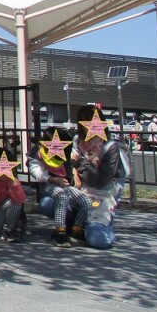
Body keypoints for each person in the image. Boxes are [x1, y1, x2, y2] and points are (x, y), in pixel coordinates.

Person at [71, 105, 127, 250]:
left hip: (101, 193)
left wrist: (80, 163)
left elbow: (100, 180)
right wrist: (74, 169)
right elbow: (70, 161)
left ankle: (103, 227)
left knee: (98, 240)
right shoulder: (78, 140)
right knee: (51, 203)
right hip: (81, 190)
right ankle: (79, 226)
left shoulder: (110, 146)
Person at [28, 130, 87, 248]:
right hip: (49, 183)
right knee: (62, 196)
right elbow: (35, 170)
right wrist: (51, 179)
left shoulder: (68, 149)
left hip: (65, 183)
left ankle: (76, 230)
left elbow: (74, 162)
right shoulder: (39, 151)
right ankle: (59, 231)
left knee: (85, 202)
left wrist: (74, 172)